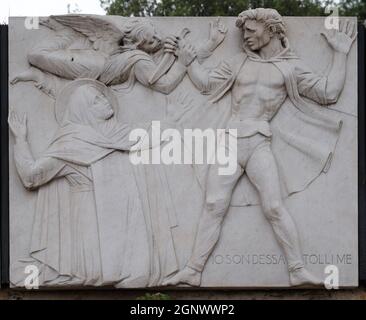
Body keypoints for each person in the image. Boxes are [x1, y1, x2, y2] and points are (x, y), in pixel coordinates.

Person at [163, 8, 356, 287]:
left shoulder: (290, 67)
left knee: (274, 207)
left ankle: (296, 269)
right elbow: (207, 85)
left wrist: (340, 53)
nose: (246, 37)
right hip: (229, 142)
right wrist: (189, 61)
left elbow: (328, 92)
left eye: (252, 31)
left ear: (271, 30)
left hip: (259, 143)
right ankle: (193, 271)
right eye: (243, 32)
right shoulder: (238, 62)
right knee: (213, 204)